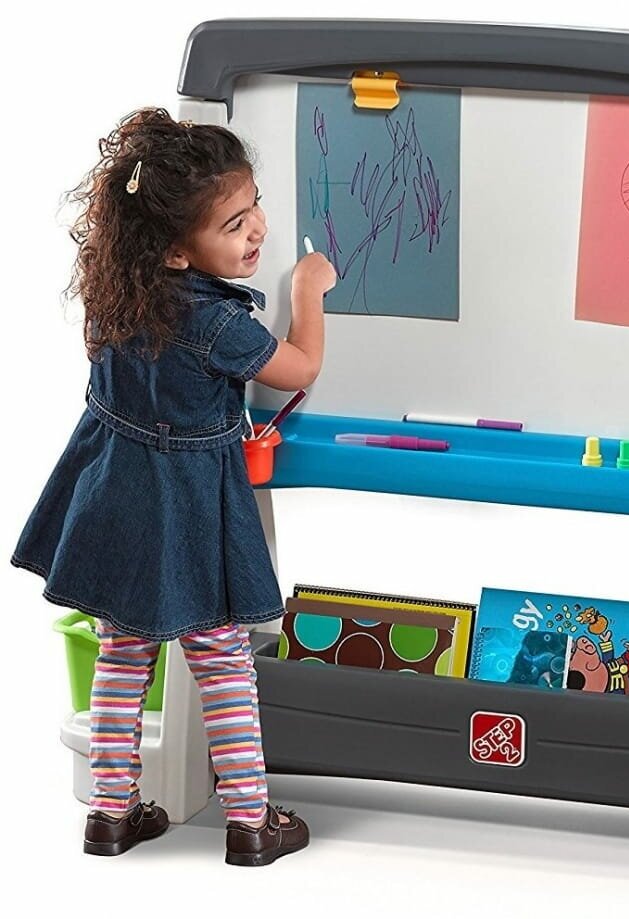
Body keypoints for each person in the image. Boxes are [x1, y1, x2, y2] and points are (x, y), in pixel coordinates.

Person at [11, 108, 335, 866]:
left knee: (123, 650)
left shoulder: (117, 295)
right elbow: (301, 368)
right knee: (221, 656)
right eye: (234, 224)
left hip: (115, 492)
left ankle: (110, 813)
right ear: (177, 252)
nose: (257, 230)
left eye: (255, 206)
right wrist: (309, 290)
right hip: (188, 503)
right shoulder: (220, 326)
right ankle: (251, 822)